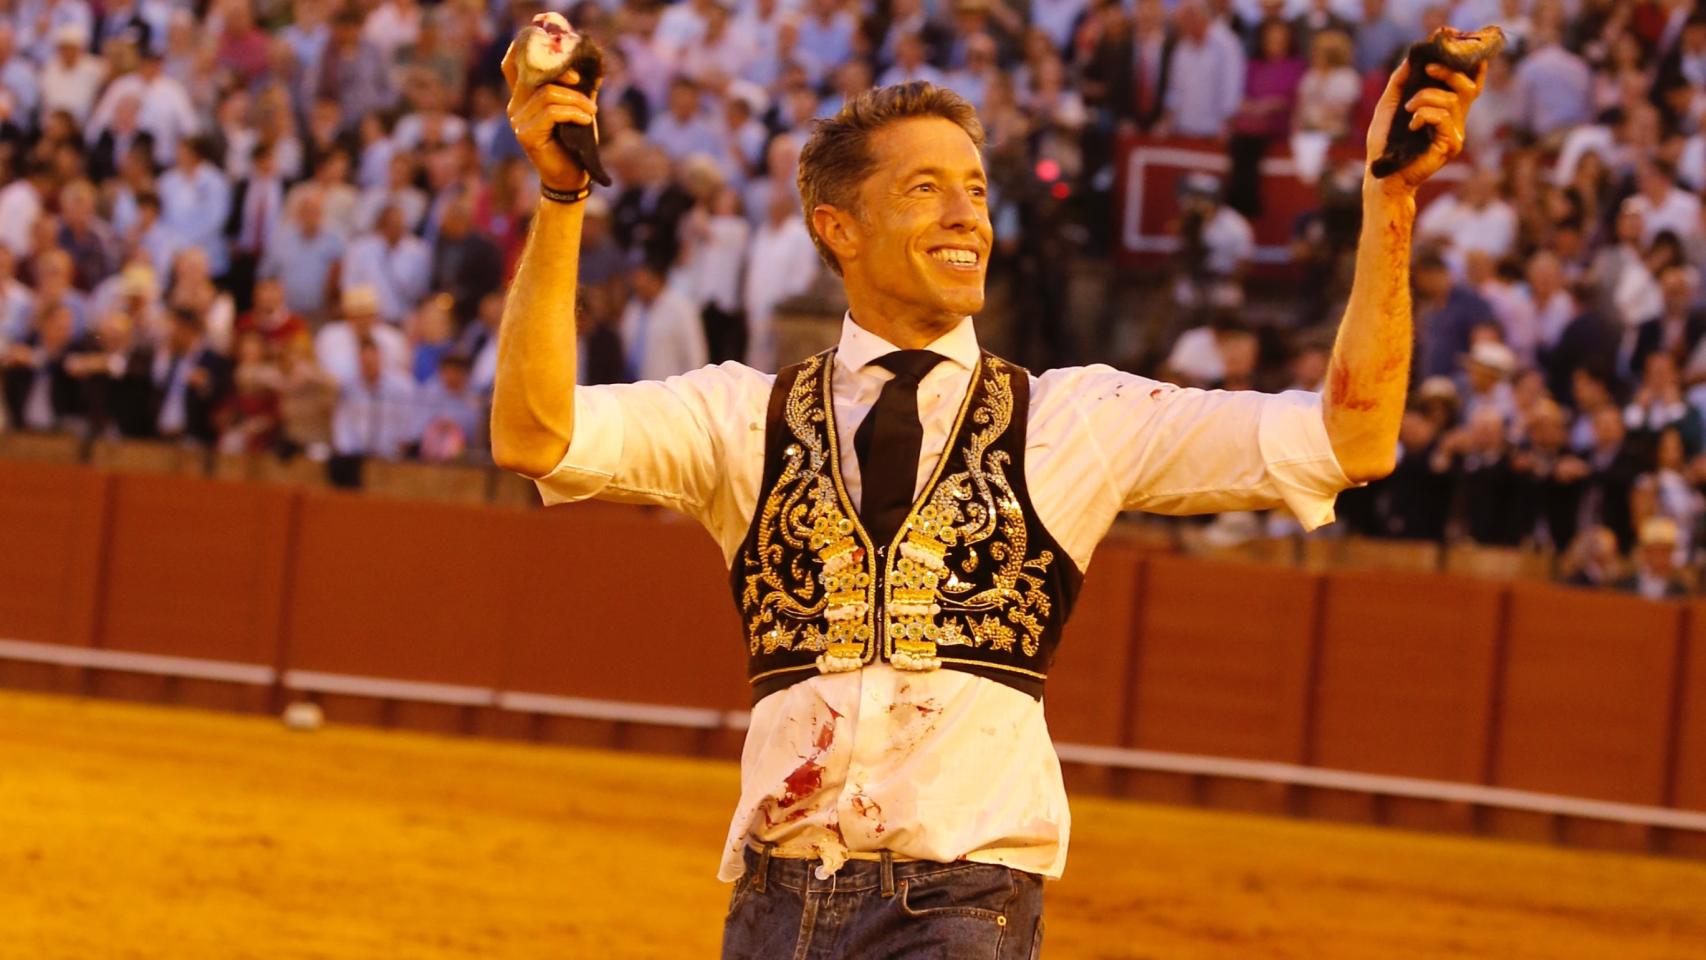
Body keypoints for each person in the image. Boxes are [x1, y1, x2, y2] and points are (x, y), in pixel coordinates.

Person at [492, 33, 1482, 951]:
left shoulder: (1077, 418)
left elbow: (1349, 438)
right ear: (838, 228)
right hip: (771, 905)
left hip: (961, 908)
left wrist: (1387, 202)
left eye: (973, 187)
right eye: (925, 189)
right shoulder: (736, 416)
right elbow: (534, 432)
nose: (968, 213)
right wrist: (559, 197)